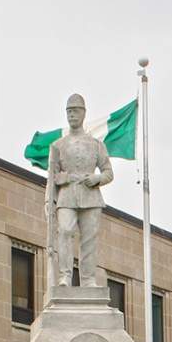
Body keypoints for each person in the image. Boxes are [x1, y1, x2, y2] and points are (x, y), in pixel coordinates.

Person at [46, 94, 113, 287]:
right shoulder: (58, 145)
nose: (71, 115)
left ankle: (88, 278)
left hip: (90, 196)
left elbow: (108, 172)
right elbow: (52, 177)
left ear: (83, 113)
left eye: (75, 111)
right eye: (68, 111)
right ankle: (65, 275)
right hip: (66, 196)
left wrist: (96, 178)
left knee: (89, 239)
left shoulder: (95, 145)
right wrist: (49, 199)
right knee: (65, 231)